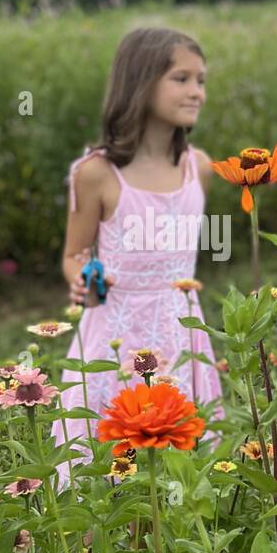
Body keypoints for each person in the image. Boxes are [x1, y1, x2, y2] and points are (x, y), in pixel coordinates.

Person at [56, 26, 225, 490]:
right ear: (140, 82)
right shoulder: (96, 174)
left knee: (181, 473)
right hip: (114, 335)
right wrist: (81, 279)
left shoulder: (200, 168)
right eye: (182, 78)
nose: (197, 92)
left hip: (180, 330)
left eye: (201, 80)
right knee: (108, 467)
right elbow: (75, 253)